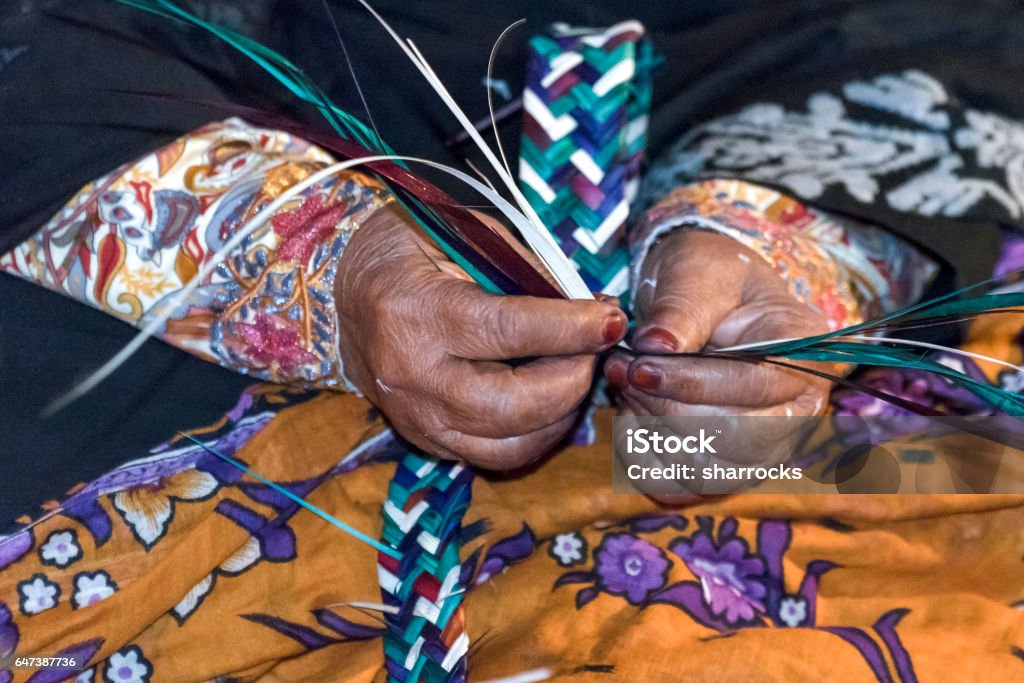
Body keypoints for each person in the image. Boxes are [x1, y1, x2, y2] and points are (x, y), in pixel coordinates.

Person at [1, 1, 1023, 681]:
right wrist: (322, 258)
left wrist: (781, 242)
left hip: (792, 167)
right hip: (125, 202)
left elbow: (952, 29)